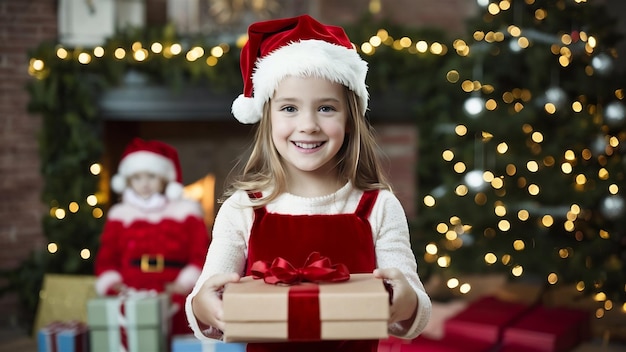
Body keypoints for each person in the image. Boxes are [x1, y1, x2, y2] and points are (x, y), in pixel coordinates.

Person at [185, 14, 431, 352]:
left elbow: (415, 310)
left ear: (349, 120)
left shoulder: (378, 206)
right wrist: (204, 307)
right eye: (289, 108)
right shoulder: (243, 208)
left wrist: (403, 301)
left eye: (326, 109)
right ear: (267, 117)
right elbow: (203, 300)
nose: (308, 125)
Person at [95, 137, 210, 336]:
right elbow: (107, 257)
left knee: (178, 336)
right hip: (131, 290)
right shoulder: (120, 215)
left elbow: (200, 253)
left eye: (151, 176)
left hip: (175, 289)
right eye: (137, 178)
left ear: (164, 179)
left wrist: (185, 283)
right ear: (128, 181)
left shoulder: (186, 212)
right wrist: (112, 282)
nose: (145, 184)